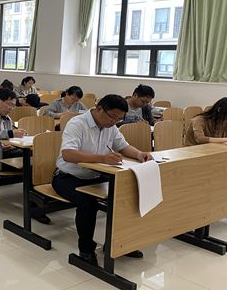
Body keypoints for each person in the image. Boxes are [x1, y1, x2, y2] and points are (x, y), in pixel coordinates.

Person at [52, 94, 153, 264]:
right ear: (99, 109)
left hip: (95, 176)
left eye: (119, 119)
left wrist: (139, 154)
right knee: (88, 203)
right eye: (112, 117)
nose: (114, 122)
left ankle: (117, 243)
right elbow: (68, 154)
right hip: (67, 177)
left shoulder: (110, 127)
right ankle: (86, 250)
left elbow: (123, 146)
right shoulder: (77, 123)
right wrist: (102, 158)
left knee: (125, 196)